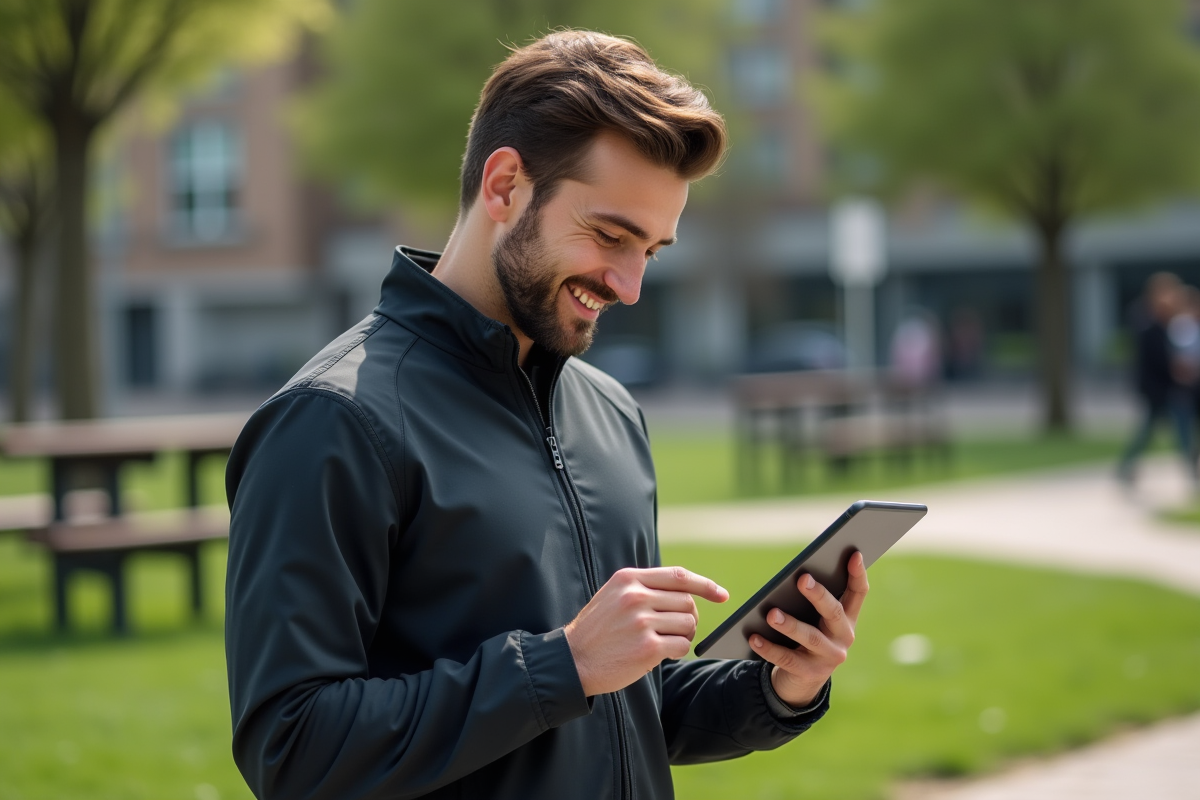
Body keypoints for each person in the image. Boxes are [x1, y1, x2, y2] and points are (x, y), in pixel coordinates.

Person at [224, 31, 868, 800]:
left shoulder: (610, 412)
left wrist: (781, 683)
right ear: (504, 187)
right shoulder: (332, 423)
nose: (629, 285)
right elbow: (292, 748)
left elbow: (627, 710)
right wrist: (565, 664)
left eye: (651, 251)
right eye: (610, 236)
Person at [1117, 272, 1195, 486]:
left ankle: (1189, 467)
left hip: (1169, 387)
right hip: (1157, 387)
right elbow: (1155, 358)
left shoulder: (1169, 323)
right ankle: (1127, 467)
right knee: (1156, 428)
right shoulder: (1146, 322)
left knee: (1178, 426)